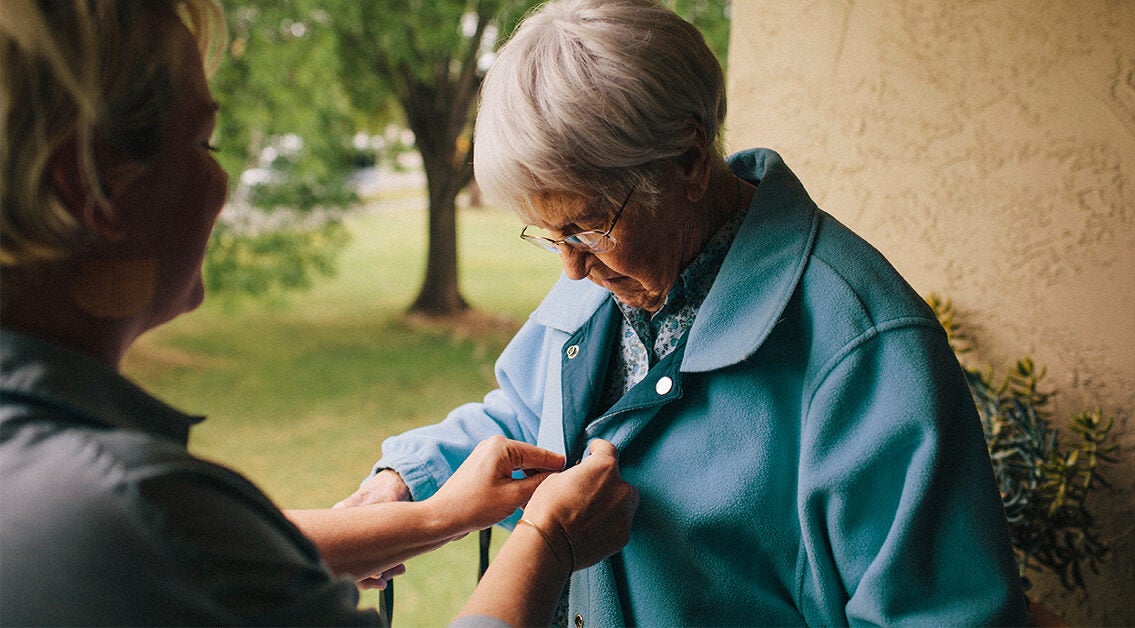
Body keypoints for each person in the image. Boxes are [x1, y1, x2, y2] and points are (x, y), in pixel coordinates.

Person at [340, 0, 1030, 625]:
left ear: (691, 159)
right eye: (550, 236)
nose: (571, 269)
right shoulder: (616, 266)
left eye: (586, 227)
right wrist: (409, 481)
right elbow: (527, 416)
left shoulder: (867, 350)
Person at [0, 1, 637, 626]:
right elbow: (172, 547)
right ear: (90, 191)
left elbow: (189, 561)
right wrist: (547, 542)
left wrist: (430, 513)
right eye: (204, 142)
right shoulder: (129, 505)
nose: (222, 186)